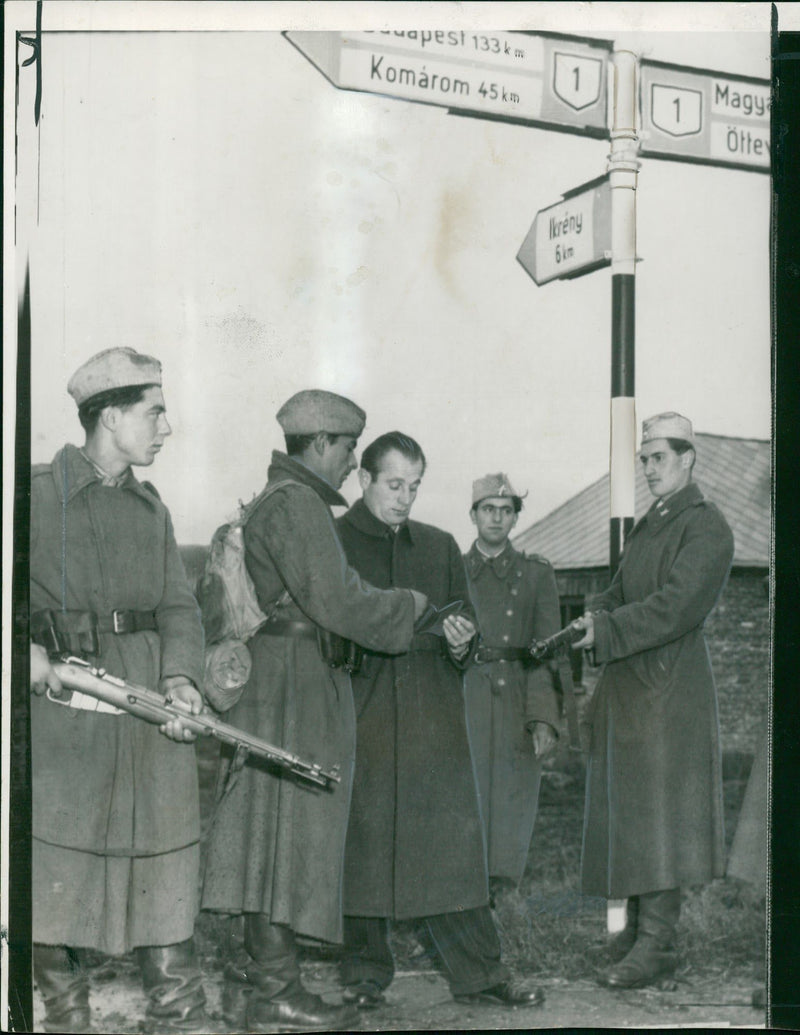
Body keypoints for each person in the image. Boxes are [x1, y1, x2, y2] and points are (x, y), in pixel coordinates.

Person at [200, 392, 426, 1033]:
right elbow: (339, 601)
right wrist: (408, 606)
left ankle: (256, 983)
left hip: (272, 682)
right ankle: (276, 990)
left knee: (264, 834)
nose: (352, 461)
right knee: (286, 835)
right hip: (292, 688)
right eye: (349, 448)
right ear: (322, 442)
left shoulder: (272, 499)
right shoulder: (298, 503)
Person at [29, 348, 218, 1033]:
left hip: (146, 711)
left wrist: (181, 678)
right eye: (154, 412)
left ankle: (179, 1013)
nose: (166, 427)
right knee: (55, 865)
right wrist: (24, 654)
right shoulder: (33, 495)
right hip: (66, 714)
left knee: (163, 860)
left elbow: (178, 606)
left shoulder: (151, 508)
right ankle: (67, 1014)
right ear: (110, 416)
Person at [336, 432, 545, 1011]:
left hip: (433, 717)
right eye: (394, 484)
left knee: (452, 850)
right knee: (363, 843)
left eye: (415, 486)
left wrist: (461, 642)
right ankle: (363, 975)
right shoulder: (335, 541)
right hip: (362, 710)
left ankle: (480, 974)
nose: (405, 498)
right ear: (364, 479)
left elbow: (466, 628)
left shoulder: (439, 545)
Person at [573, 412, 735, 989]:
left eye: (658, 457)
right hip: (633, 690)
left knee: (662, 816)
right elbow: (620, 591)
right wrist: (593, 615)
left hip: (670, 692)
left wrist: (608, 629)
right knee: (637, 813)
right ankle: (639, 935)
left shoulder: (706, 527)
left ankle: (658, 945)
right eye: (643, 459)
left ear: (687, 458)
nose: (647, 468)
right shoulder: (651, 526)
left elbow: (675, 607)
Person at [463, 473, 562, 899]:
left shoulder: (535, 574)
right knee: (464, 798)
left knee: (512, 799)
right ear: (473, 515)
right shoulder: (454, 570)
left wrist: (543, 718)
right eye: (488, 509)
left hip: (516, 701)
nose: (497, 518)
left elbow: (547, 652)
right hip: (466, 698)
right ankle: (460, 899)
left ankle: (503, 897)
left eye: (506, 511)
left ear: (515, 518)